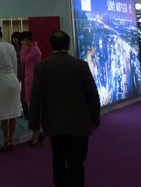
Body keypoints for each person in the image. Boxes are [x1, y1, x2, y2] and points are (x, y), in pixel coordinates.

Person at [29, 31, 100, 187]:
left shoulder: (42, 66)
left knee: (59, 159)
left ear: (51, 45)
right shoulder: (81, 65)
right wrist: (95, 119)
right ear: (68, 45)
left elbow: (35, 98)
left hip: (55, 123)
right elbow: (92, 94)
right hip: (79, 123)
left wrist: (35, 125)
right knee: (77, 162)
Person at [0, 26, 22, 150]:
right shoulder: (11, 46)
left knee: (4, 114)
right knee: (13, 112)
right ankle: (11, 138)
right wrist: (15, 78)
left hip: (2, 81)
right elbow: (15, 65)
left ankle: (6, 139)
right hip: (13, 80)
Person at [20, 31, 42, 117]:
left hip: (33, 79)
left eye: (22, 41)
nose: (21, 43)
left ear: (25, 40)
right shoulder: (31, 49)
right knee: (31, 102)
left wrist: (23, 47)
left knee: (34, 102)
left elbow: (23, 59)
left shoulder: (34, 50)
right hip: (30, 78)